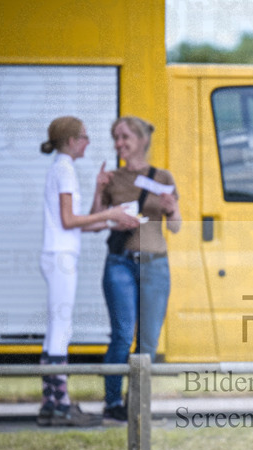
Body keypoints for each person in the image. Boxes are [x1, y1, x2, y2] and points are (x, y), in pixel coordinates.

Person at [38, 116, 141, 427]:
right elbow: (70, 221)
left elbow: (86, 223)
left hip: (59, 253)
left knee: (57, 327)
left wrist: (110, 216)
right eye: (84, 136)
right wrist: (110, 212)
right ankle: (61, 405)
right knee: (61, 328)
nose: (88, 141)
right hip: (61, 256)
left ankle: (51, 403)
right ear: (71, 140)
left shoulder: (62, 167)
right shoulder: (65, 170)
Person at [92, 116, 182, 422]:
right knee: (121, 335)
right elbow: (94, 222)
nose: (119, 144)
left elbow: (177, 226)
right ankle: (113, 403)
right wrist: (97, 190)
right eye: (115, 138)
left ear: (142, 140)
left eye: (125, 137)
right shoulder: (113, 179)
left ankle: (137, 405)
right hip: (120, 265)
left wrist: (171, 208)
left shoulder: (163, 177)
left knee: (148, 342)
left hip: (155, 266)